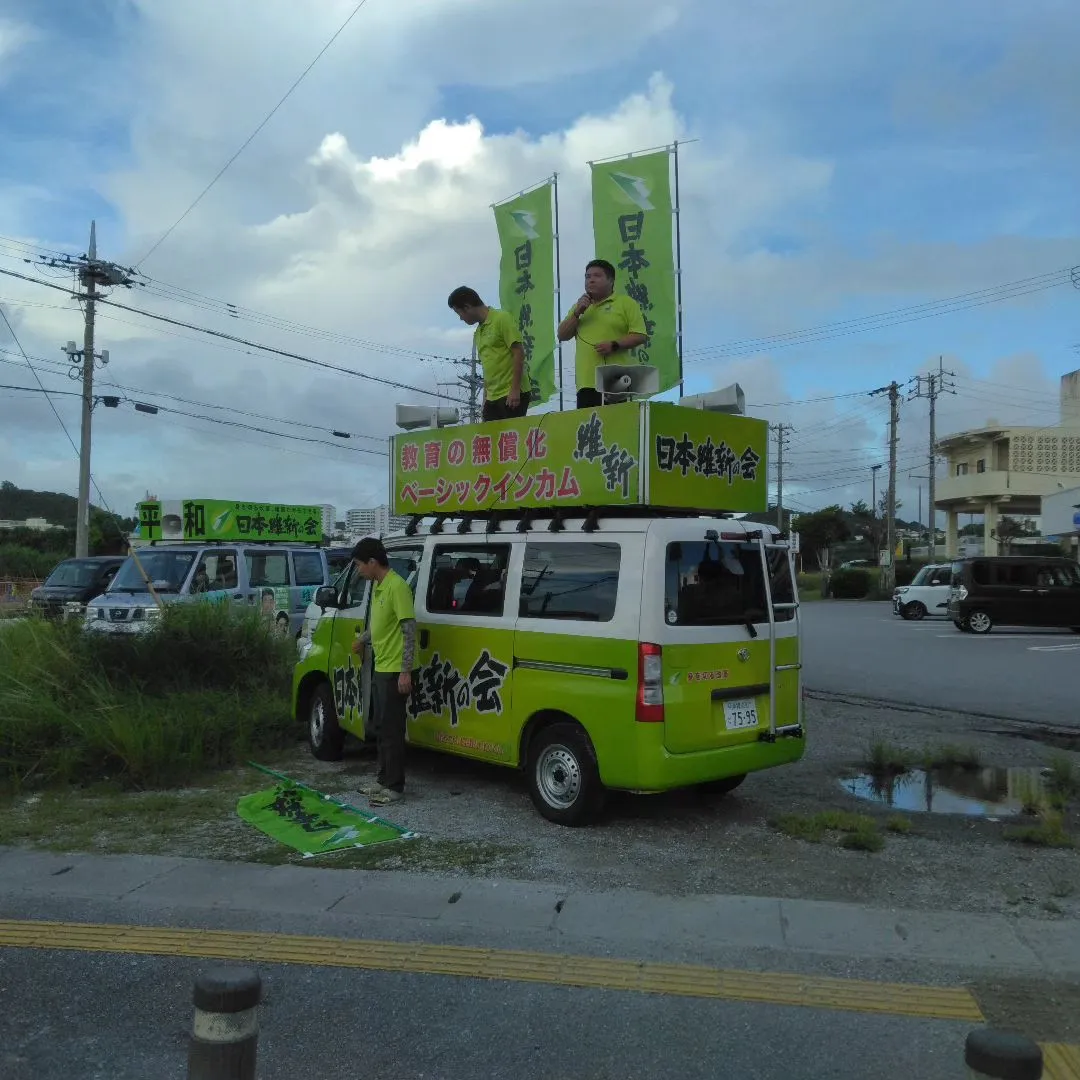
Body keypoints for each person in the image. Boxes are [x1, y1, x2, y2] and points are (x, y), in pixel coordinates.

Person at [350, 537, 416, 806]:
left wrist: (406, 672)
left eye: (359, 565)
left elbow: (409, 630)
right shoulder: (378, 586)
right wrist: (363, 639)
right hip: (381, 665)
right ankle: (381, 780)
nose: (358, 570)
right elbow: (380, 626)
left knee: (392, 731)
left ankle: (395, 786)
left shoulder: (397, 587)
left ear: (373, 562)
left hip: (394, 670)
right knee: (379, 727)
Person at [557, 259, 648, 410]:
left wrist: (614, 344)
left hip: (616, 379)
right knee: (590, 428)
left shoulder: (625, 303)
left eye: (597, 276)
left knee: (615, 427)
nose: (591, 280)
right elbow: (562, 335)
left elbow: (640, 335)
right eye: (587, 276)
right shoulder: (579, 307)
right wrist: (577, 312)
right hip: (586, 382)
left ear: (611, 280)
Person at [447, 286, 527, 421]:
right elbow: (487, 369)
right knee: (490, 439)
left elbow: (519, 352)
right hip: (492, 397)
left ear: (467, 307)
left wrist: (515, 390)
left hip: (511, 393)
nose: (460, 318)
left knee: (510, 439)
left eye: (459, 313)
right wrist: (485, 400)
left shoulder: (502, 318)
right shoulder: (478, 332)